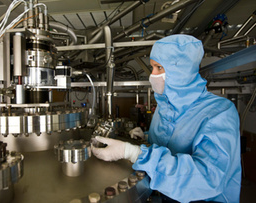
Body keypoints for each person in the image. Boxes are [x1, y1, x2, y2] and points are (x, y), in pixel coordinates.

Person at [91, 34, 241, 202]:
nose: (152, 75)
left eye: (159, 68)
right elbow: (172, 142)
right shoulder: (165, 105)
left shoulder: (219, 112)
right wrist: (145, 138)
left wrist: (134, 153)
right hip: (168, 194)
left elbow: (207, 179)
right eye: (152, 67)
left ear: (180, 70)